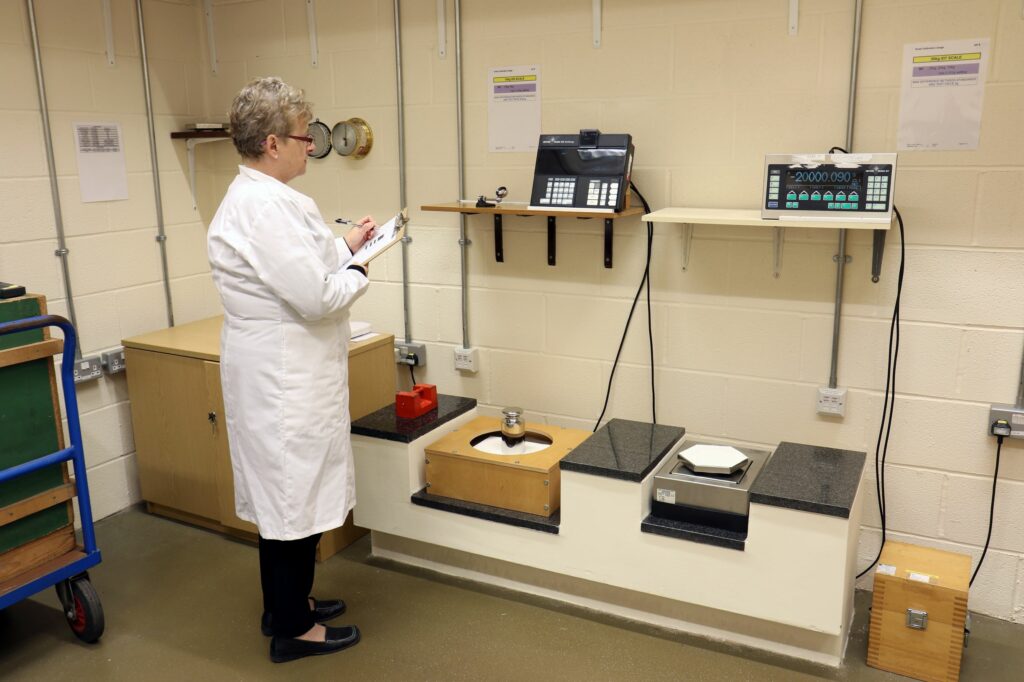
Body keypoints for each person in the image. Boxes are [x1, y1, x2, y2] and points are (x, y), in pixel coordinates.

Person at [207, 76, 376, 664]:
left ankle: (287, 604)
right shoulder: (261, 208)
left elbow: (305, 261)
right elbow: (317, 295)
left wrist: (348, 242)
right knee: (290, 500)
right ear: (274, 143)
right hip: (282, 379)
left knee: (288, 498)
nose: (313, 146)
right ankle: (292, 629)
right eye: (306, 137)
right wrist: (359, 270)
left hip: (285, 370)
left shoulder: (269, 199)